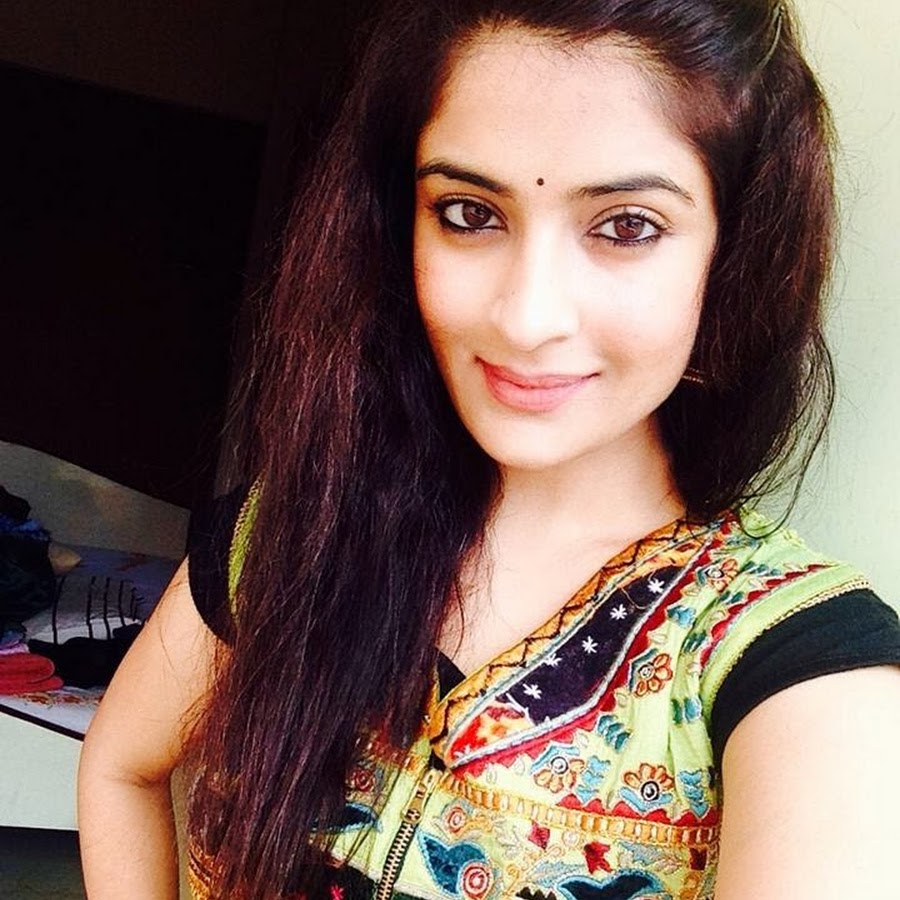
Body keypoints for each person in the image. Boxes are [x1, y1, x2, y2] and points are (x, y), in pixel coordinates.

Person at [78, 1, 900, 897]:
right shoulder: (294, 531)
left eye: (626, 226)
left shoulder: (794, 667)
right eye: (469, 213)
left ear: (736, 255)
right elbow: (121, 767)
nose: (525, 316)